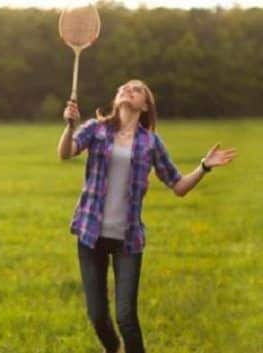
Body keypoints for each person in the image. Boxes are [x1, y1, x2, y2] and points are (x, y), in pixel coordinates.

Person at [56, 79, 236, 353]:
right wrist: (70, 127)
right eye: (124, 87)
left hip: (128, 240)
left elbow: (178, 187)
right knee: (97, 316)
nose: (128, 90)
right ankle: (113, 349)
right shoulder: (97, 129)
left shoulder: (150, 143)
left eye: (137, 89)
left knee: (126, 317)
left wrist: (203, 167)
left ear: (145, 104)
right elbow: (65, 152)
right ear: (117, 99)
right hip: (90, 235)